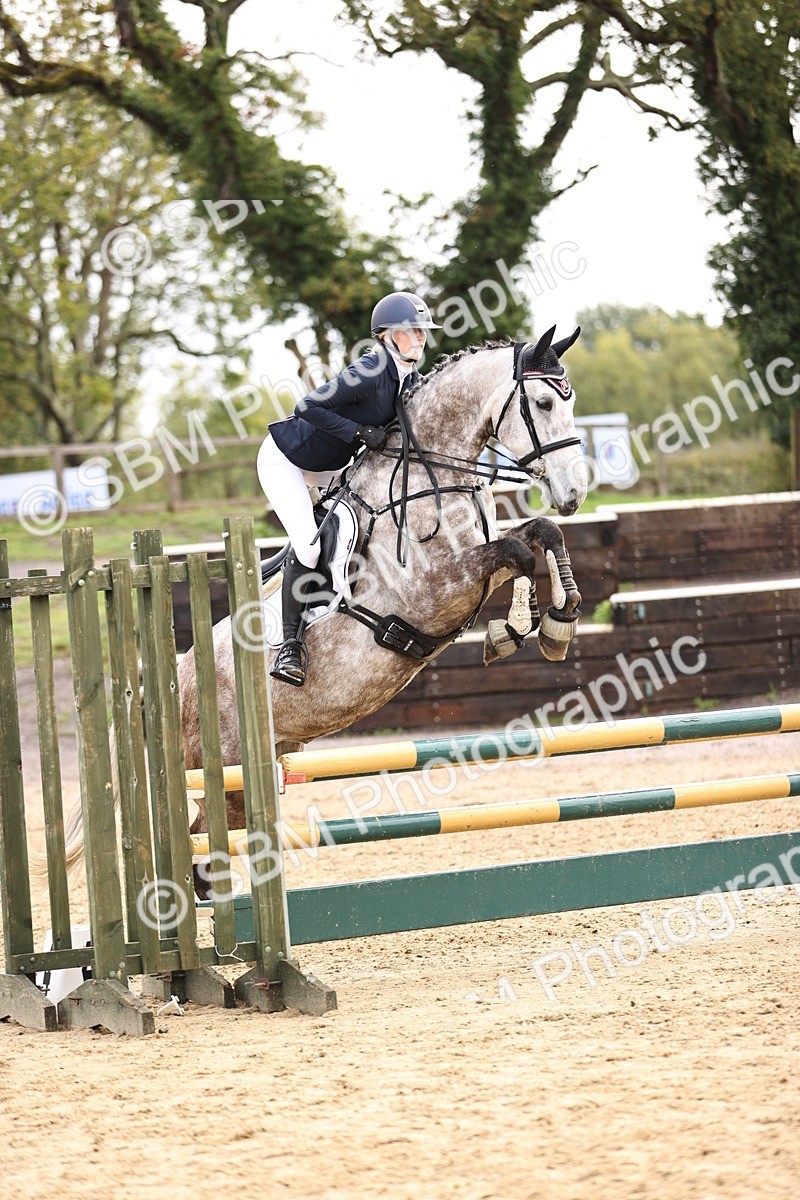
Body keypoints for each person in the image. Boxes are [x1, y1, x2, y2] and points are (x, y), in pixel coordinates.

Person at [257, 291, 441, 686]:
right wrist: (359, 432)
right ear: (388, 334)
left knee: (339, 528)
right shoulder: (371, 369)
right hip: (288, 459)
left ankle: (274, 568)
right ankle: (290, 645)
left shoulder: (409, 377)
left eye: (423, 331)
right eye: (413, 331)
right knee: (308, 545)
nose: (421, 337)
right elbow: (308, 406)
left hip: (329, 463)